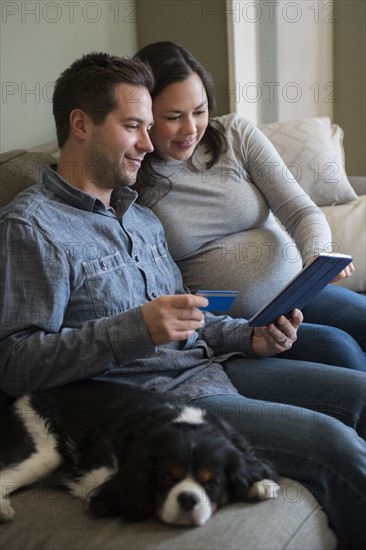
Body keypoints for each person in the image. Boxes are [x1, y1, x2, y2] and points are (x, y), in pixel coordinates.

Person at [0, 52, 365, 549]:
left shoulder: (140, 216)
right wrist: (135, 329)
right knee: (333, 445)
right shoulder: (32, 228)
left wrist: (250, 336)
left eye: (151, 126)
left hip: (213, 366)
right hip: (152, 404)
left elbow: (190, 317)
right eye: (134, 126)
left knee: (359, 393)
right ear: (81, 124)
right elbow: (16, 363)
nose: (150, 145)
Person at [134, 41, 366, 371]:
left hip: (297, 293)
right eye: (173, 117)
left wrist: (316, 258)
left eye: (199, 111)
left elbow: (301, 211)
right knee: (340, 349)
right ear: (143, 115)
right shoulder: (133, 178)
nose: (191, 129)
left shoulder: (234, 134)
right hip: (243, 326)